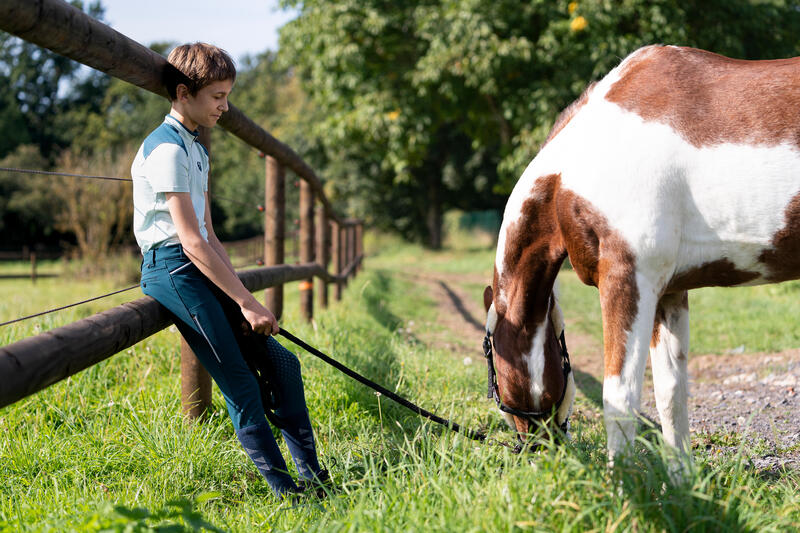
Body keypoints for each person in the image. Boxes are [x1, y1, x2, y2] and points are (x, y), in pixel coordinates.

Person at [131, 42, 327, 499]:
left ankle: (315, 481)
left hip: (199, 263)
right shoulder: (167, 150)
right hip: (172, 269)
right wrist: (245, 301)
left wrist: (244, 297)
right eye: (218, 96)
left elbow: (210, 236)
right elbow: (189, 240)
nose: (225, 105)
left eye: (227, 95)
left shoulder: (195, 148)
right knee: (241, 384)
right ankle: (287, 495)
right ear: (184, 92)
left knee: (283, 362)